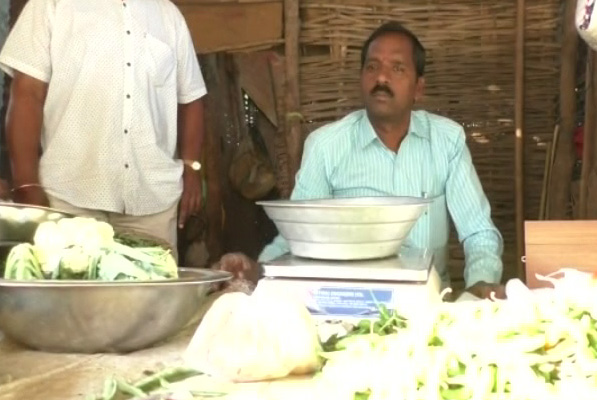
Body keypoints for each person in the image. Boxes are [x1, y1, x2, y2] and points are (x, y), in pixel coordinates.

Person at [218, 21, 506, 299]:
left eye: (397, 68)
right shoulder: (326, 146)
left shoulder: (446, 141)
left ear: (419, 88)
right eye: (372, 67)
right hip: (348, 308)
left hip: (429, 305)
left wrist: (479, 286)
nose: (381, 78)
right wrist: (257, 271)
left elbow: (478, 232)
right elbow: (297, 238)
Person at [0, 0, 207, 257]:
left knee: (151, 295)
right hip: (69, 201)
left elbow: (192, 99)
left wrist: (191, 167)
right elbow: (27, 94)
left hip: (152, 202)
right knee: (73, 294)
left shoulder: (167, 15)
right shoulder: (51, 5)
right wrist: (26, 184)